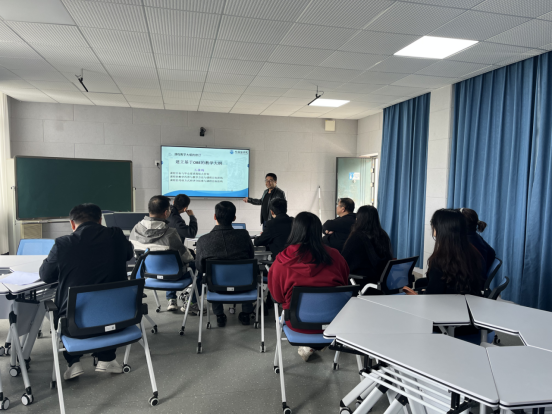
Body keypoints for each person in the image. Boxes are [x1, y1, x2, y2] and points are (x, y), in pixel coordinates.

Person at [39, 204, 134, 380]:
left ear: (72, 223)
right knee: (106, 293)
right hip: (119, 318)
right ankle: (107, 358)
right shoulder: (117, 235)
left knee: (64, 296)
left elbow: (45, 275)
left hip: (76, 325)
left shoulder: (63, 244)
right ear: (100, 220)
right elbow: (129, 255)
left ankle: (73, 362)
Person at [268, 212, 350, 362]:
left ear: (295, 231)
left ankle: (311, 345)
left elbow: (278, 297)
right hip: (334, 323)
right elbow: (344, 287)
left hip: (297, 324)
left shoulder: (281, 262)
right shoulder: (336, 257)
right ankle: (316, 345)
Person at [129, 195, 194, 312]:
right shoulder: (170, 233)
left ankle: (171, 299)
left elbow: (136, 255)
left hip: (148, 274)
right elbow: (186, 257)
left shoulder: (135, 229)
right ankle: (191, 302)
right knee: (196, 265)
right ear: (166, 212)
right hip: (173, 274)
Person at [195, 201, 255, 328]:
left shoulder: (203, 241)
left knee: (211, 276)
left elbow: (200, 268)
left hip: (216, 287)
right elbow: (251, 257)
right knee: (248, 272)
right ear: (234, 218)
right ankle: (246, 314)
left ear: (214, 216)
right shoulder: (244, 235)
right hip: (244, 285)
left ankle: (219, 315)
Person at [403, 209, 485, 297]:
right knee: (420, 283)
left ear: (440, 229)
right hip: (467, 302)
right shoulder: (474, 253)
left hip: (445, 304)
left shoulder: (440, 261)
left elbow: (432, 297)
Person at [167, 194, 203, 314]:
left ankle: (171, 299)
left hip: (161, 259)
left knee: (170, 265)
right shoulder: (176, 220)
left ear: (173, 202)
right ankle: (192, 302)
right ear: (185, 208)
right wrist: (192, 217)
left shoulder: (165, 213)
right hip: (175, 258)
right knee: (199, 268)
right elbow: (191, 233)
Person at [341, 205, 393, 289]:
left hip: (362, 283)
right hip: (382, 282)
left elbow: (344, 262)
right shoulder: (383, 235)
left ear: (359, 219)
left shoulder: (356, 237)